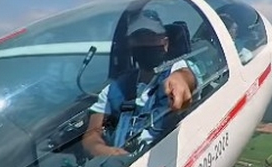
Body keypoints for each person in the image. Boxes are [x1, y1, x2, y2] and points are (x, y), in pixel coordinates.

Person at [83, 11, 197, 158]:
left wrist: (180, 80)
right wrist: (102, 150)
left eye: (151, 37)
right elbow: (91, 135)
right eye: (139, 38)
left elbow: (187, 76)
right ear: (130, 44)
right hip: (120, 164)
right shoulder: (115, 89)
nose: (145, 43)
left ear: (165, 43)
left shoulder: (176, 69)